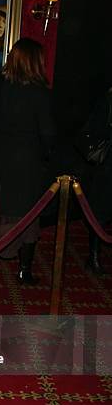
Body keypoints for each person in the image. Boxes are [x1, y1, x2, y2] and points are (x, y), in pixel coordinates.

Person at [0, 38, 56, 284]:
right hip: (26, 166)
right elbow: (48, 134)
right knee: (27, 219)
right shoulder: (40, 92)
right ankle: (25, 270)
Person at [81, 87, 112, 275]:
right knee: (101, 211)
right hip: (108, 164)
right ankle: (93, 257)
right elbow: (96, 129)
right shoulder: (106, 99)